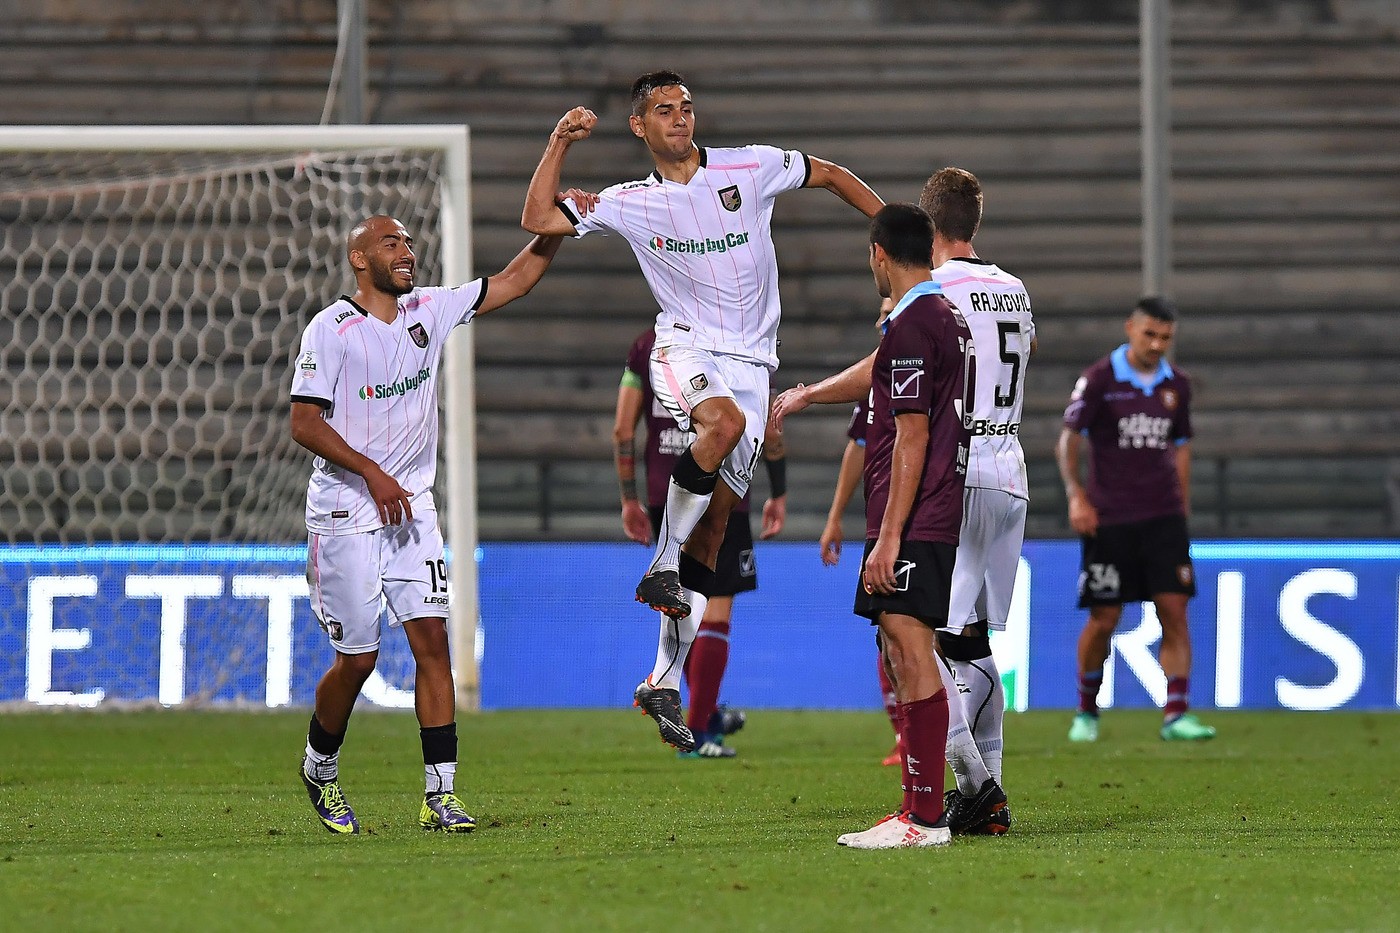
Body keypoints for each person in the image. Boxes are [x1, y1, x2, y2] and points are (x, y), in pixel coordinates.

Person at [522, 70, 883, 751]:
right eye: (664, 110)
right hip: (684, 346)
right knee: (724, 426)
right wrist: (557, 145)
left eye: (686, 106)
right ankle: (660, 560)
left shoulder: (747, 167)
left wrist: (891, 224)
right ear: (640, 126)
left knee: (714, 537)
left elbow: (829, 173)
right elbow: (538, 217)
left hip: (753, 363)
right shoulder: (627, 201)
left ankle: (659, 679)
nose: (680, 117)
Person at [289, 215, 563, 835]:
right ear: (360, 259)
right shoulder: (330, 330)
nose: (406, 251)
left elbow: (515, 282)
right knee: (357, 660)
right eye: (391, 243)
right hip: (347, 511)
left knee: (433, 645)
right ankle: (320, 766)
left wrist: (559, 227)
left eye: (409, 242)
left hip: (413, 510)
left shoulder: (429, 311)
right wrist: (372, 473)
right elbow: (303, 423)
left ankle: (440, 796)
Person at [779, 203, 973, 848]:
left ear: (878, 254)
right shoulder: (927, 315)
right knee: (900, 645)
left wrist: (889, 536)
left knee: (910, 645)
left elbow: (912, 432)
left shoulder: (915, 322)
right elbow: (878, 369)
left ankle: (922, 817)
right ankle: (920, 810)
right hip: (923, 509)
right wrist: (811, 393)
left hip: (916, 513)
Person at [918, 166, 1033, 834]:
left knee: (918, 628)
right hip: (1010, 465)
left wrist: (809, 393)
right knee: (973, 637)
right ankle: (986, 788)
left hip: (959, 466)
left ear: (930, 226)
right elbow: (1029, 349)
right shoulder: (1011, 288)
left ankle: (974, 781)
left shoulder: (934, 289)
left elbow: (896, 369)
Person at [613, 328, 788, 757]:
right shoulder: (743, 339)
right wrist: (779, 490)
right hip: (724, 484)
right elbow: (769, 426)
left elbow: (622, 429)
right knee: (716, 605)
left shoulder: (647, 346)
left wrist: (629, 499)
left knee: (683, 595)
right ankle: (700, 730)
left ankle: (689, 708)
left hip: (666, 492)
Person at [1058, 296, 1217, 743]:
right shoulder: (1099, 380)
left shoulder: (1177, 386)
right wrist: (1077, 497)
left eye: (1165, 337)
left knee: (1174, 611)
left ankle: (1176, 715)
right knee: (1104, 618)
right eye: (1150, 334)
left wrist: (1180, 505)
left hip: (1163, 518)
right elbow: (1068, 440)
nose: (1156, 344)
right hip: (1110, 519)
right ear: (1130, 328)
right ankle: (1086, 712)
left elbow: (1181, 444)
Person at [817, 301, 904, 768]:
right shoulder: (875, 378)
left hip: (921, 517)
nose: (882, 317)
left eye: (891, 308)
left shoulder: (927, 364)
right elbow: (860, 445)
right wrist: (835, 517)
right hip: (878, 518)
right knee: (888, 630)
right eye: (882, 309)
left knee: (920, 631)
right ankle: (905, 734)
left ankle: (946, 736)